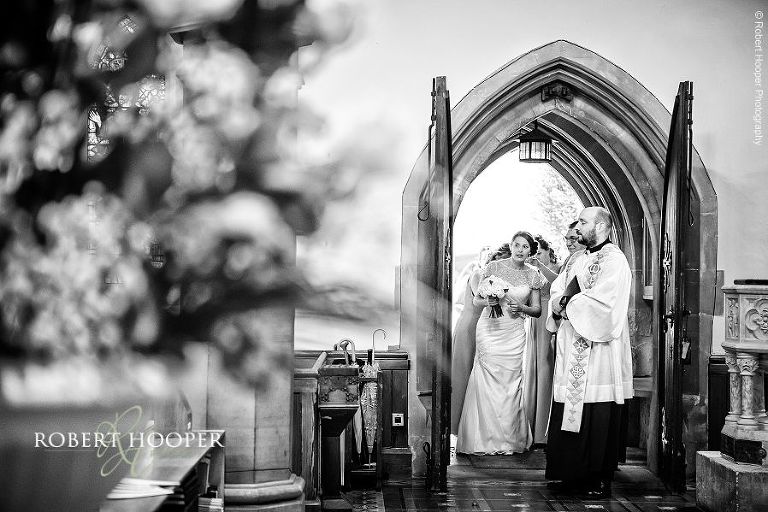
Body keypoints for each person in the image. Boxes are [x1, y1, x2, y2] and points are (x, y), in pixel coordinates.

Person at [544, 207, 634, 498]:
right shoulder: (575, 259)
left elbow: (606, 304)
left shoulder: (615, 261)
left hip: (599, 351)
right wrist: (557, 303)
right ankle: (568, 472)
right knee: (569, 405)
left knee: (596, 409)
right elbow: (558, 289)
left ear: (602, 226)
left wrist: (569, 304)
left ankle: (597, 476)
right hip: (571, 344)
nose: (577, 227)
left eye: (583, 222)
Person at [456, 233, 544, 454]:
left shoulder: (534, 276)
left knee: (511, 383)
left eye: (525, 246)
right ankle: (482, 438)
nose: (520, 249)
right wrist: (490, 300)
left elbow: (537, 309)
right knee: (484, 379)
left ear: (530, 251)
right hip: (490, 329)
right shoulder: (493, 267)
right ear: (511, 246)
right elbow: (477, 300)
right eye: (516, 245)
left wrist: (522, 309)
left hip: (514, 333)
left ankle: (509, 439)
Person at [450, 244, 509, 436]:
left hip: (485, 329)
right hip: (469, 328)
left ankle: (477, 426)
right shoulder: (478, 274)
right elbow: (481, 298)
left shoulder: (496, 279)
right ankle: (458, 427)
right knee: (464, 374)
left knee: (480, 377)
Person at [523, 235, 560, 446]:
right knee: (533, 369)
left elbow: (556, 283)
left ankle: (543, 431)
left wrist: (538, 267)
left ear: (548, 251)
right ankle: (530, 424)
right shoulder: (531, 270)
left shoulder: (557, 267)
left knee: (546, 367)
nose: (536, 256)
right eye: (534, 253)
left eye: (540, 252)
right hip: (535, 320)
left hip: (549, 318)